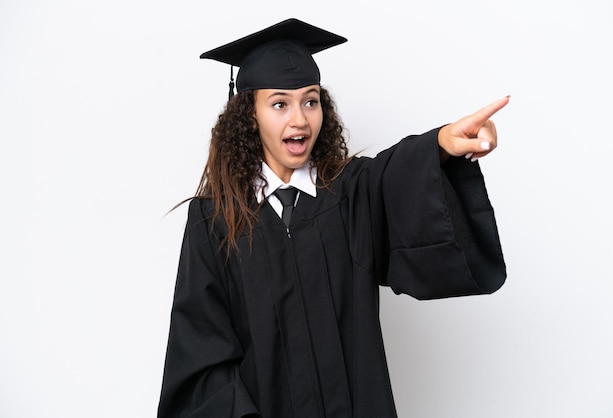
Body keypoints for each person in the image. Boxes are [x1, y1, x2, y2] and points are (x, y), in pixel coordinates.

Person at [157, 18, 508, 418]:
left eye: (310, 100)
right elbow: (202, 355)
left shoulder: (349, 195)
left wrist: (442, 145)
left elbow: (396, 177)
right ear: (249, 116)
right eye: (279, 104)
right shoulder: (214, 223)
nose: (300, 119)